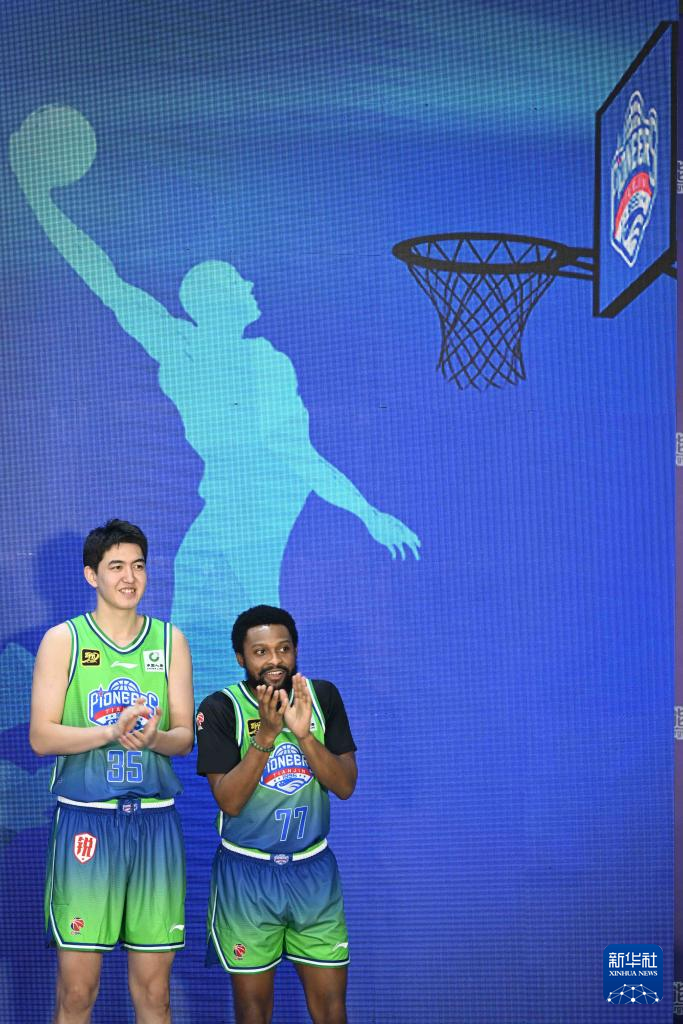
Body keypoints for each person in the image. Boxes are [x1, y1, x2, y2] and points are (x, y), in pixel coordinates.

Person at [10, 105, 421, 704]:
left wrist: (367, 512)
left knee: (252, 634)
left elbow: (295, 455)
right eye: (238, 283)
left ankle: (261, 731)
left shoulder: (243, 359)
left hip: (261, 504)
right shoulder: (201, 351)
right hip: (233, 507)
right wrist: (39, 200)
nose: (251, 287)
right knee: (204, 634)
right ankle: (164, 720)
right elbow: (103, 276)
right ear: (219, 301)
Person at [30, 519, 194, 1024]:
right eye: (116, 566)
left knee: (156, 993)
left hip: (154, 822)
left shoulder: (170, 641)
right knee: (78, 993)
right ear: (91, 575)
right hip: (88, 822)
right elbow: (41, 737)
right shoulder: (64, 640)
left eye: (138, 566)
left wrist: (153, 739)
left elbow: (184, 737)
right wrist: (108, 732)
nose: (129, 577)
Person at [196, 605, 357, 1024]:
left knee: (331, 1009)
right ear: (240, 657)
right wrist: (266, 736)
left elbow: (344, 785)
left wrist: (304, 736)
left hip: (312, 871)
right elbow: (229, 801)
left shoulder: (322, 697)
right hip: (247, 875)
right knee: (253, 1011)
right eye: (261, 652)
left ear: (295, 651)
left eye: (283, 649)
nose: (275, 661)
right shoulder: (220, 708)